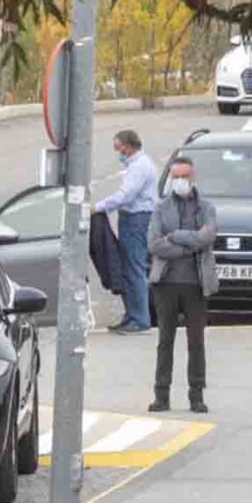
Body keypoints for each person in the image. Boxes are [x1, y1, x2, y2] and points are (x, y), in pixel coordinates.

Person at [149, 155, 218, 416]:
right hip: (166, 283)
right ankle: (161, 395)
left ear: (193, 177)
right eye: (175, 177)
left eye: (184, 176)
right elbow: (154, 244)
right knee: (165, 340)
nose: (180, 181)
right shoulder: (160, 208)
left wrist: (176, 237)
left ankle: (196, 395)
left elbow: (208, 236)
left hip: (196, 284)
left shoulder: (206, 208)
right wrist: (189, 246)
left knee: (196, 342)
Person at [97, 129, 159, 333]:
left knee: (134, 268)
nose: (118, 152)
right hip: (131, 218)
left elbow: (126, 195)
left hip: (136, 219)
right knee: (128, 268)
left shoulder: (139, 167)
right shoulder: (135, 165)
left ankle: (140, 318)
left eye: (119, 147)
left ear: (128, 146)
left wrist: (98, 207)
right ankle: (131, 315)